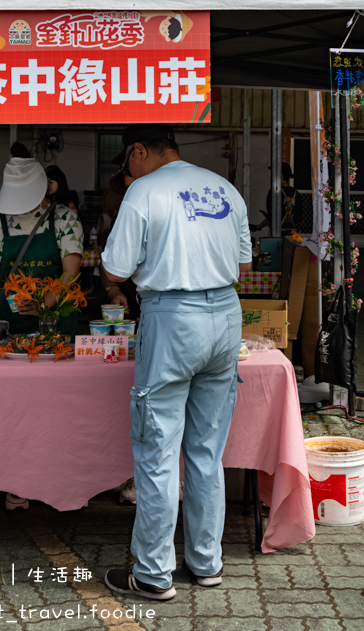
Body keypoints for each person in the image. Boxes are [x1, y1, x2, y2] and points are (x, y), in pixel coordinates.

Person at [100, 125, 252, 602]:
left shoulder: (144, 190)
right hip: (225, 314)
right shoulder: (224, 188)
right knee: (206, 450)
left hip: (173, 317)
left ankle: (153, 574)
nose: (129, 172)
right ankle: (207, 563)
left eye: (129, 162)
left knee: (158, 450)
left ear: (138, 151)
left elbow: (116, 269)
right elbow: (244, 265)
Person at [0, 157, 84, 511]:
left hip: (54, 330)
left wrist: (45, 303)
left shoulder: (64, 219)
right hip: (12, 330)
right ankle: (16, 482)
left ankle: (64, 482)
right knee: (13, 410)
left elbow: (71, 271)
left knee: (59, 410)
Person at [250, 161, 303, 236]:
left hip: (277, 236)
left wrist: (257, 226)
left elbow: (272, 218)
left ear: (281, 176)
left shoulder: (274, 193)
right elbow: (298, 219)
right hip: (292, 238)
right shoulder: (297, 195)